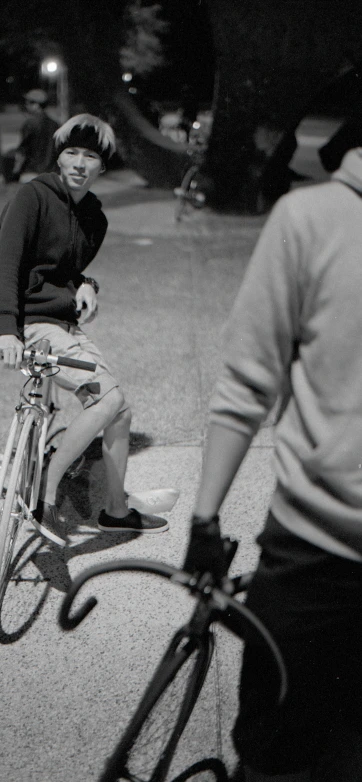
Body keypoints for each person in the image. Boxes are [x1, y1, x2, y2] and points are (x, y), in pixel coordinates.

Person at [183, 146, 362, 781]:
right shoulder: (311, 218)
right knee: (274, 758)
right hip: (315, 552)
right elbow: (244, 386)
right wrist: (205, 520)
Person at [0, 113, 168, 546]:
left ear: (102, 167)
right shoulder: (33, 195)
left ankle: (116, 510)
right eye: (71, 152)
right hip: (34, 325)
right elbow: (6, 263)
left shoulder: (94, 218)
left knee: (120, 411)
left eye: (90, 156)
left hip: (64, 322)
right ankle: (45, 487)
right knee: (109, 398)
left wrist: (88, 285)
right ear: (59, 156)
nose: (79, 163)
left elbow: (68, 272)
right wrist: (6, 329)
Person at [11, 89, 59, 182]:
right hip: (51, 174)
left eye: (28, 103)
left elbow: (22, 151)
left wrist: (15, 171)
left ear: (36, 105)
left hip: (31, 172)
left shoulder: (30, 124)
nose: (26, 105)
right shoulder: (55, 124)